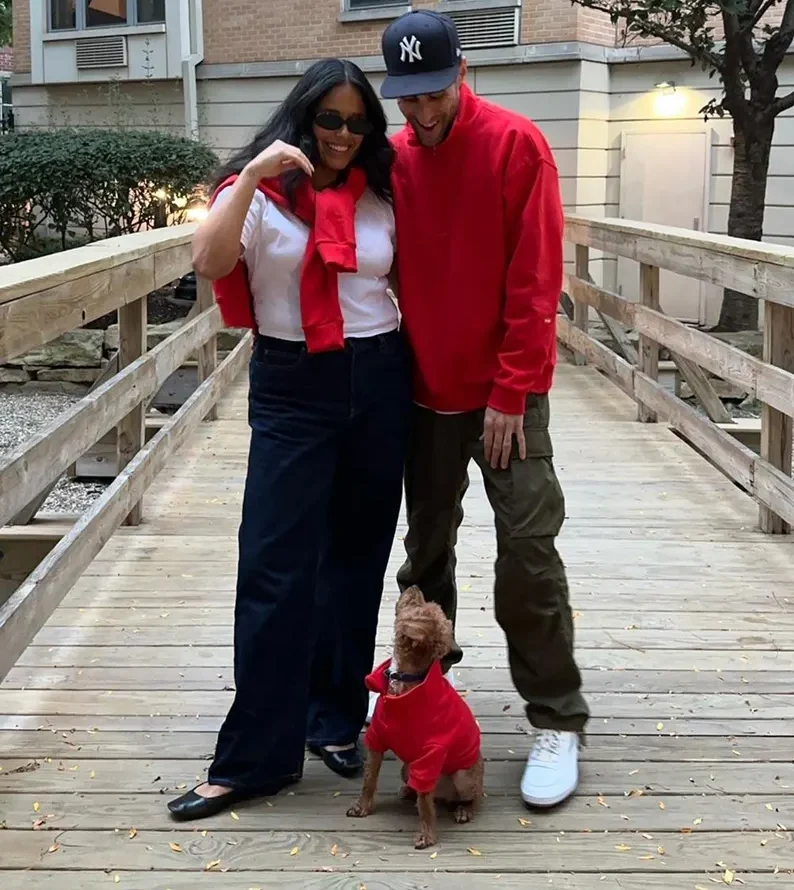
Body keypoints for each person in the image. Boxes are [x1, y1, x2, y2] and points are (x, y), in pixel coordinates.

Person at [167, 58, 412, 821]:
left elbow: (411, 279)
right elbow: (208, 262)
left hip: (378, 377)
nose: (342, 135)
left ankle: (334, 719)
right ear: (303, 117)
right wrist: (252, 176)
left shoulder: (381, 193)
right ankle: (254, 759)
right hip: (291, 379)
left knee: (356, 558)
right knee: (274, 566)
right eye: (329, 120)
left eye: (357, 122)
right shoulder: (260, 191)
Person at [375, 10, 590, 809]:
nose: (423, 114)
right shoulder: (392, 158)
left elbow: (536, 277)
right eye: (409, 99)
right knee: (425, 554)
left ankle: (557, 718)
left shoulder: (515, 144)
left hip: (507, 394)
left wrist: (511, 391)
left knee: (528, 551)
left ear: (461, 73)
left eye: (434, 93)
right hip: (425, 394)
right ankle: (425, 704)